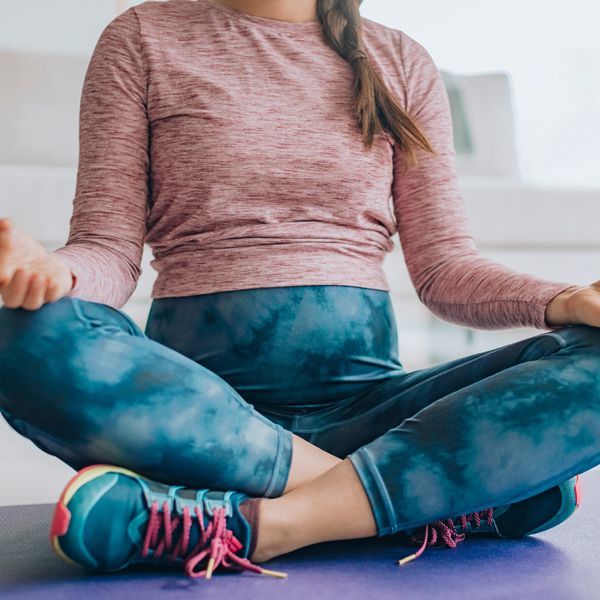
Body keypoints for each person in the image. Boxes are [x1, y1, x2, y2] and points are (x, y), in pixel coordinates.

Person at [1, 0, 600, 582]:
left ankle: (275, 521)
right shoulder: (143, 36)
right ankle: (418, 493)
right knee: (18, 332)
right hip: (199, 418)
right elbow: (106, 247)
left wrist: (567, 299)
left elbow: (444, 268)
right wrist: (54, 277)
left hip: (371, 417)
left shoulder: (399, 58)